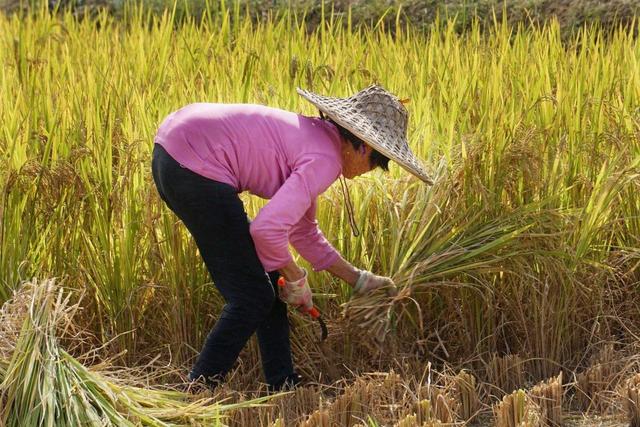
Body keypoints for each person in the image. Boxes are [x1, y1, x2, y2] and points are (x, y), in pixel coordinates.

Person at [151, 85, 432, 391]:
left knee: (265, 281)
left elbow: (303, 231)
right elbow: (265, 231)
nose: (370, 172)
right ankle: (197, 391)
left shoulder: (317, 138)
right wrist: (296, 276)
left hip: (172, 152)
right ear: (363, 146)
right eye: (377, 163)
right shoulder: (326, 159)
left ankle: (282, 385)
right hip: (194, 166)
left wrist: (359, 280)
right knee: (252, 296)